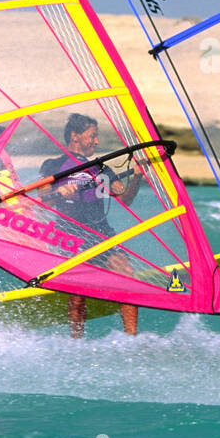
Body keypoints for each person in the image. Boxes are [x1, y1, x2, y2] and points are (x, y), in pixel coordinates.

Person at [41, 114, 143, 337]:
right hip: (70, 235)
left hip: (100, 233)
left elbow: (124, 199)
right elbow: (43, 200)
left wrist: (136, 177)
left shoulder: (100, 168)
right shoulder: (54, 165)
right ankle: (76, 342)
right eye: (92, 136)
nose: (97, 142)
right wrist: (59, 192)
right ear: (75, 136)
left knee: (125, 272)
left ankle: (132, 341)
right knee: (78, 296)